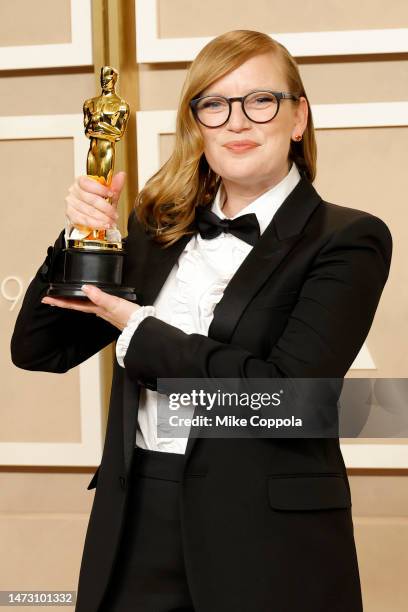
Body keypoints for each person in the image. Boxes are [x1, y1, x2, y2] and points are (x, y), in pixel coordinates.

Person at [11, 30, 392, 612]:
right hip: (137, 522)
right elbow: (37, 349)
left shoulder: (347, 239)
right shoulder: (155, 229)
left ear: (298, 118)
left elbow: (289, 403)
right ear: (198, 126)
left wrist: (141, 333)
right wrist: (78, 237)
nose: (237, 122)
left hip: (265, 541)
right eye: (214, 105)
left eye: (260, 100)